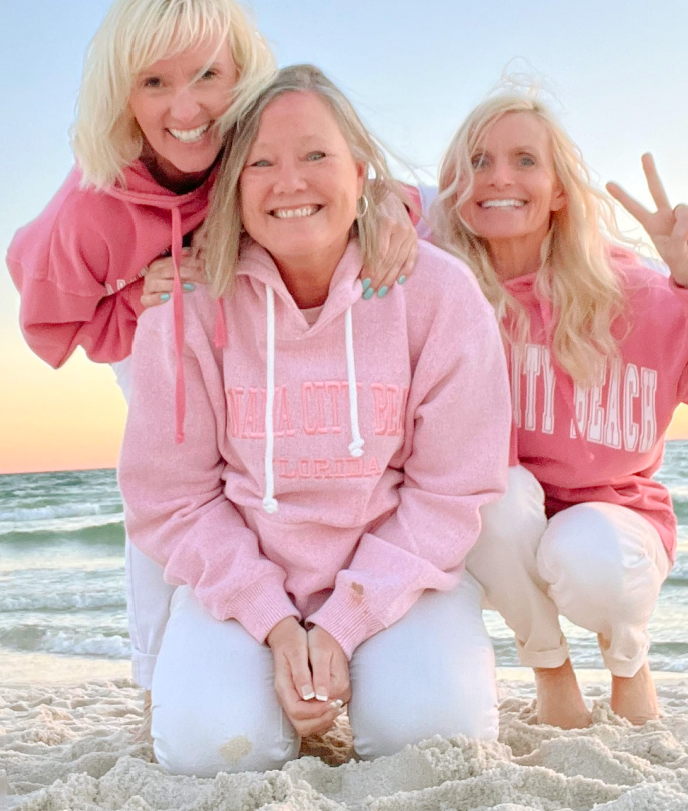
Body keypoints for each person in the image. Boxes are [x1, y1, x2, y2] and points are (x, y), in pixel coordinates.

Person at [6, 0, 416, 693]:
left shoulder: (256, 142)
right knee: (172, 493)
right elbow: (46, 327)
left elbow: (351, 171)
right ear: (122, 94)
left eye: (206, 76)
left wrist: (392, 211)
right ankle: (157, 681)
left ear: (244, 78)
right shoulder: (90, 210)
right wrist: (138, 303)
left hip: (255, 324)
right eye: (154, 82)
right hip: (158, 330)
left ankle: (310, 642)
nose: (186, 107)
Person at [118, 65, 510, 775]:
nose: (288, 181)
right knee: (215, 751)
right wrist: (270, 621)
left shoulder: (439, 294)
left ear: (362, 174)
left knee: (431, 738)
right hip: (241, 583)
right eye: (260, 162)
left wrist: (345, 619)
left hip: (394, 579)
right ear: (233, 188)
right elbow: (171, 497)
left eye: (316, 156)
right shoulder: (187, 304)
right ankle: (262, 693)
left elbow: (451, 491)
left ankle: (379, 677)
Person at [425, 78, 688, 729]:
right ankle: (552, 673)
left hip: (614, 526)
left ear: (561, 192)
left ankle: (629, 663)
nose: (497, 177)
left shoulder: (639, 295)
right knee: (493, 496)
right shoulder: (444, 295)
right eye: (477, 161)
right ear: (456, 187)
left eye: (525, 160)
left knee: (588, 552)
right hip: (507, 524)